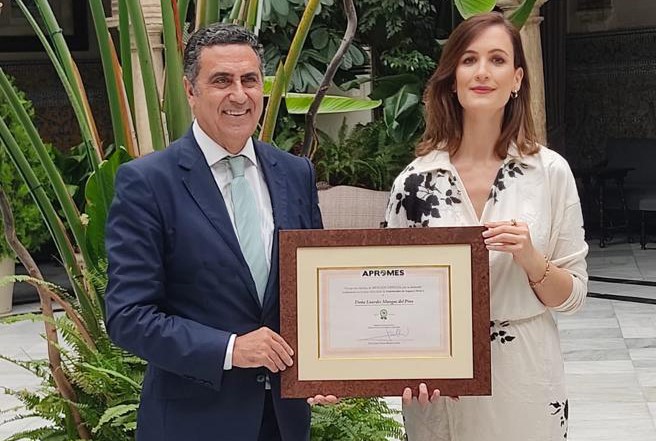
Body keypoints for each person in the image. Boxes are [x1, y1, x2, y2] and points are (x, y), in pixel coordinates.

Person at [104, 23, 323, 441]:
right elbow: (128, 316)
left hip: (285, 421)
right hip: (193, 423)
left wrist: (325, 368)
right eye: (221, 81)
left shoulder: (296, 173)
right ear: (191, 90)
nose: (239, 95)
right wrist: (230, 349)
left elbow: (313, 293)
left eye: (249, 80)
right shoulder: (148, 183)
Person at [385, 12, 588, 441]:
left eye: (497, 60)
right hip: (441, 383)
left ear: (517, 79)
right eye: (469, 60)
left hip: (524, 378)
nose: (482, 72)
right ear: (452, 78)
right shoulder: (414, 182)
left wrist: (531, 259)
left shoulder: (550, 173)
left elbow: (572, 297)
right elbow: (393, 290)